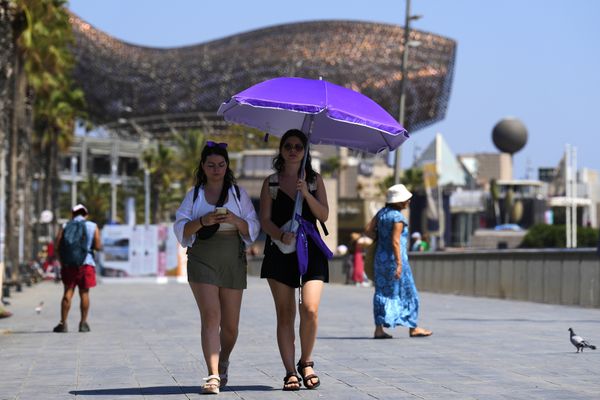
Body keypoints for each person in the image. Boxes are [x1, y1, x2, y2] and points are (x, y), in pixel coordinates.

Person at [173, 141, 259, 395]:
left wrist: (234, 219)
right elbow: (181, 229)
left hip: (233, 258)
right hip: (202, 257)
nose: (216, 169)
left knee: (231, 326)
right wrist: (202, 220)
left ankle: (223, 360)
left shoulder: (238, 194)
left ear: (227, 166)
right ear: (203, 166)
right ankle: (212, 375)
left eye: (221, 164)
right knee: (211, 316)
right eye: (211, 165)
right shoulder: (195, 194)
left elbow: (252, 228)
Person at [259, 129, 329, 391]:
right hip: (280, 250)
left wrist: (307, 194)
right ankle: (290, 371)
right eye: (287, 145)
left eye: (298, 146)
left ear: (305, 151)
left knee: (309, 308)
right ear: (281, 150)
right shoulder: (272, 183)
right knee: (285, 313)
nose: (292, 150)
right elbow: (264, 219)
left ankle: (306, 362)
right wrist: (280, 234)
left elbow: (324, 215)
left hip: (311, 249)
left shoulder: (313, 180)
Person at [366, 184, 432, 339]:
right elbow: (396, 242)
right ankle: (413, 327)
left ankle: (379, 329)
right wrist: (399, 263)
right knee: (409, 293)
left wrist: (379, 239)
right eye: (406, 199)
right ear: (399, 202)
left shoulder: (382, 213)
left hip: (380, 260)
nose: (408, 202)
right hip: (395, 260)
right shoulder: (398, 218)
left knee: (381, 293)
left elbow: (368, 229)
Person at [53, 204, 101, 333]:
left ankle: (63, 323)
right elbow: (98, 246)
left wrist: (62, 262)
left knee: (68, 292)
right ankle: (83, 323)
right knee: (84, 293)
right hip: (86, 264)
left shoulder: (65, 226)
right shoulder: (92, 226)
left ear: (72, 214)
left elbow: (57, 246)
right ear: (86, 214)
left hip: (69, 265)